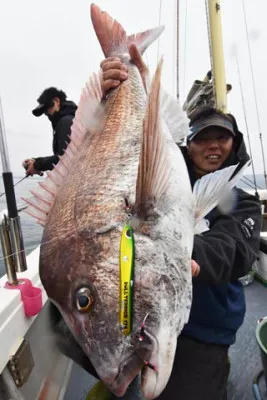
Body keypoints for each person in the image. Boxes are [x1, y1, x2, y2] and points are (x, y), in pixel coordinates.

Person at [99, 45, 262, 399]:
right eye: (202, 137)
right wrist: (120, 90)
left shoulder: (244, 205)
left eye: (222, 137)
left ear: (235, 144)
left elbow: (232, 250)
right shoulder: (164, 185)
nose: (213, 145)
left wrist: (176, 254)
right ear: (187, 145)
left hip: (206, 334)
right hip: (144, 321)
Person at [22, 87, 77, 176]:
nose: (46, 113)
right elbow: (62, 156)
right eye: (44, 111)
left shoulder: (66, 121)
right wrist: (36, 161)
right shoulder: (67, 120)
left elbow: (65, 158)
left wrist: (37, 165)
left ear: (56, 101)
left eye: (47, 108)